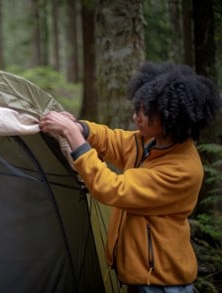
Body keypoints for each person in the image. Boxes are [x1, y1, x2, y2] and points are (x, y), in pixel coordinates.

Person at [39, 62, 221, 293]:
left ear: (168, 117)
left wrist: (73, 136)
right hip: (143, 277)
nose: (136, 116)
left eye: (145, 112)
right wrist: (81, 128)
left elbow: (111, 188)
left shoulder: (181, 170)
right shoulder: (152, 142)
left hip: (161, 283)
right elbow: (113, 140)